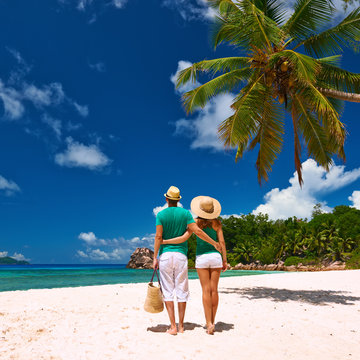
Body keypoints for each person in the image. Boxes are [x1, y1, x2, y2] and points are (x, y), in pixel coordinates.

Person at [153, 186, 221, 335]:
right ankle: (182, 326)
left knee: (168, 291)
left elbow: (158, 237)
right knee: (182, 290)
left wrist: (155, 257)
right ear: (178, 200)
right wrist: (214, 243)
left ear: (166, 199)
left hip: (165, 256)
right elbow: (197, 231)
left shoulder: (161, 215)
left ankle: (173, 326)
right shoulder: (185, 214)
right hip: (181, 256)